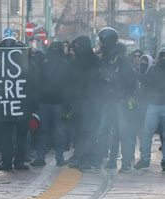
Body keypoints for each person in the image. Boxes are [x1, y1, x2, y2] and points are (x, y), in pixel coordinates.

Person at [94, 27, 138, 173]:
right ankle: (108, 160)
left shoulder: (120, 58)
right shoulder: (105, 56)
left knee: (122, 131)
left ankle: (125, 163)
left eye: (101, 41)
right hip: (107, 100)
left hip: (119, 100)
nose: (99, 44)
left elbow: (131, 79)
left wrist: (118, 88)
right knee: (105, 131)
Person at [31, 41, 71, 167]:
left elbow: (37, 83)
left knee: (44, 131)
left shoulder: (44, 64)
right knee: (58, 131)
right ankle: (59, 158)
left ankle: (41, 157)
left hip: (45, 102)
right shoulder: (65, 65)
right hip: (57, 102)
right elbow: (68, 87)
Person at [0, 37, 31, 171]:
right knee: (20, 136)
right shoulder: (27, 63)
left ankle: (7, 162)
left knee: (7, 137)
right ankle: (19, 162)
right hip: (20, 107)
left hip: (7, 107)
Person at [68, 36, 100, 171]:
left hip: (91, 101)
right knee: (79, 130)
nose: (77, 50)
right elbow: (70, 81)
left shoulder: (95, 61)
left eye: (79, 47)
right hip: (77, 101)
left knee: (89, 130)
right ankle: (79, 155)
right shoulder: (75, 61)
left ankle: (88, 157)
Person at [135, 49, 165, 172]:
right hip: (153, 104)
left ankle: (150, 160)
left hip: (156, 105)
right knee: (147, 133)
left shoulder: (153, 69)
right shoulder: (152, 69)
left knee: (149, 134)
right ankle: (145, 159)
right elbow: (146, 83)